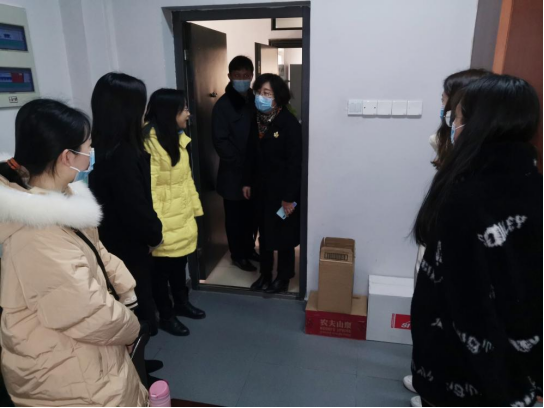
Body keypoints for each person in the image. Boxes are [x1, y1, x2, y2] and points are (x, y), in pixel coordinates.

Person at [0, 99, 147, 407]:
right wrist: (132, 327)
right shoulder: (37, 235)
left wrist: (128, 293)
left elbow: (97, 252)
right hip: (64, 369)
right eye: (88, 146)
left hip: (87, 349)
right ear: (67, 156)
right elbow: (89, 312)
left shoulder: (61, 198)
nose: (91, 153)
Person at [411, 74, 543, 407]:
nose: (452, 126)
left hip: (464, 373)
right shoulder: (531, 183)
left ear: (477, 125)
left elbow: (463, 304)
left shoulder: (467, 197)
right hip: (516, 374)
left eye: (456, 118)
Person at [407, 68, 491, 408]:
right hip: (435, 241)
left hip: (453, 253)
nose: (442, 106)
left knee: (443, 320)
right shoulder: (450, 138)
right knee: (424, 308)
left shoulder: (478, 156)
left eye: (447, 101)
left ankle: (435, 388)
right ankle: (426, 378)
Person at [88, 73, 164, 378]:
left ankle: (138, 362)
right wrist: (154, 235)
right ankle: (137, 374)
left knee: (130, 307)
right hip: (125, 247)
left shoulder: (102, 146)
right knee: (135, 308)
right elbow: (135, 208)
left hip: (115, 242)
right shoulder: (121, 154)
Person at [144, 89, 206, 337]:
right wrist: (155, 227)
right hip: (163, 221)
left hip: (181, 216)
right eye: (184, 109)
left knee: (180, 264)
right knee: (161, 273)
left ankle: (182, 303)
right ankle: (166, 316)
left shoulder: (178, 138)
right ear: (170, 112)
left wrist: (195, 209)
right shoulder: (149, 143)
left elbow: (185, 180)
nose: (188, 114)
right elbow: (150, 191)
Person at [245, 74, 302, 294]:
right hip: (261, 189)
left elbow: (295, 164)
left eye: (266, 93)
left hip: (283, 193)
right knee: (265, 233)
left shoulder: (288, 123)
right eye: (259, 92)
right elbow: (251, 154)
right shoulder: (257, 120)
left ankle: (284, 277)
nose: (261, 97)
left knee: (283, 234)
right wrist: (247, 182)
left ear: (278, 97)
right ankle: (265, 274)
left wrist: (289, 198)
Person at [212, 56, 260, 272]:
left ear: (252, 76)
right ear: (229, 76)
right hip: (233, 174)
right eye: (237, 75)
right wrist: (243, 165)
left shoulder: (255, 101)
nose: (242, 79)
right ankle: (238, 255)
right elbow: (220, 142)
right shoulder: (223, 106)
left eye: (246, 75)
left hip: (254, 173)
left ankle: (250, 249)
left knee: (252, 216)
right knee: (235, 218)